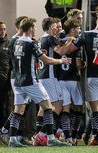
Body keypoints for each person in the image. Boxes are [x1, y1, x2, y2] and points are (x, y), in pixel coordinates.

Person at [8, 17, 72, 147]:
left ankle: (12, 140)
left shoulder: (15, 42)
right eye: (35, 27)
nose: (36, 29)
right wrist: (61, 61)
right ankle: (50, 138)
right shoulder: (31, 43)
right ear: (31, 29)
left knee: (18, 111)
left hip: (18, 82)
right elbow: (47, 60)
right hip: (30, 81)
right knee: (48, 107)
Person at [55, 13, 98, 146]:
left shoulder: (86, 34)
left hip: (92, 76)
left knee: (95, 109)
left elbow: (69, 49)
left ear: (97, 21)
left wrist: (66, 44)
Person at [0, 16, 34, 146]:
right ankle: (8, 132)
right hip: (18, 77)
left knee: (24, 107)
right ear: (21, 27)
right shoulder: (15, 40)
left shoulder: (20, 39)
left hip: (23, 76)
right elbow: (13, 60)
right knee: (20, 107)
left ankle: (13, 133)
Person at [57, 19, 83, 145]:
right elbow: (78, 64)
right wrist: (84, 64)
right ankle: (74, 134)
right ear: (72, 30)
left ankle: (66, 136)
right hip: (73, 79)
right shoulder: (75, 43)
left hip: (60, 79)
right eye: (78, 28)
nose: (79, 31)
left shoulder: (58, 41)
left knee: (65, 108)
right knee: (78, 107)